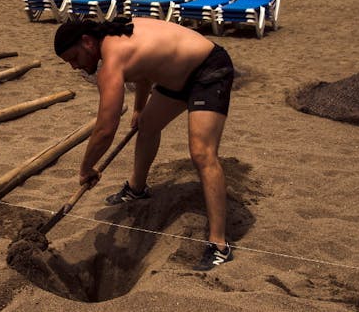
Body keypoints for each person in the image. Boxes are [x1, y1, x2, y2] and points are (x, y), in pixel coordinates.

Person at [53, 17, 235, 270]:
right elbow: (144, 69)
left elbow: (105, 128)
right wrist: (139, 108)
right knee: (147, 124)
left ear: (87, 41)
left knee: (202, 153)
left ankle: (219, 245)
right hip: (177, 77)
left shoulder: (112, 63)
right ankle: (136, 188)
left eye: (74, 58)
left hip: (208, 70)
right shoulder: (117, 34)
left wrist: (86, 168)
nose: (74, 67)